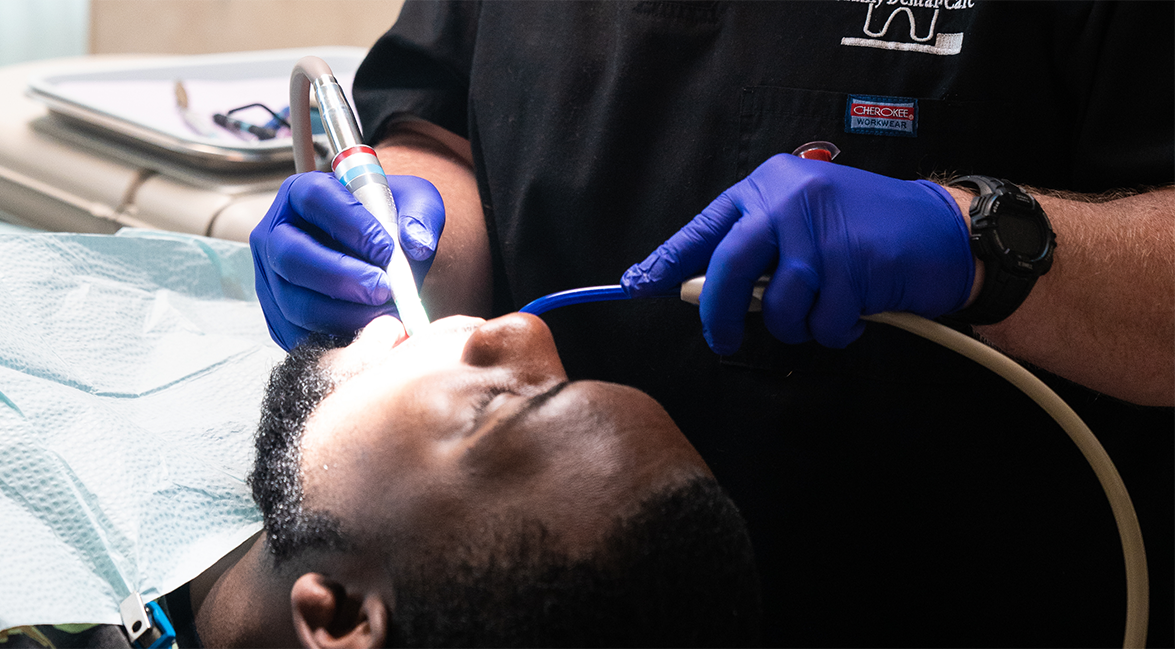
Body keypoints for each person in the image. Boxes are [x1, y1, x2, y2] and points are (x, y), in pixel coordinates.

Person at [249, 1, 1175, 646]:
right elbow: (444, 116)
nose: (523, 335)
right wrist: (417, 241)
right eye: (517, 390)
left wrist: (984, 244)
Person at [0, 312, 760, 648]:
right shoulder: (266, 455)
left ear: (333, 615)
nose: (521, 329)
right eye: (561, 369)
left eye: (497, 408)